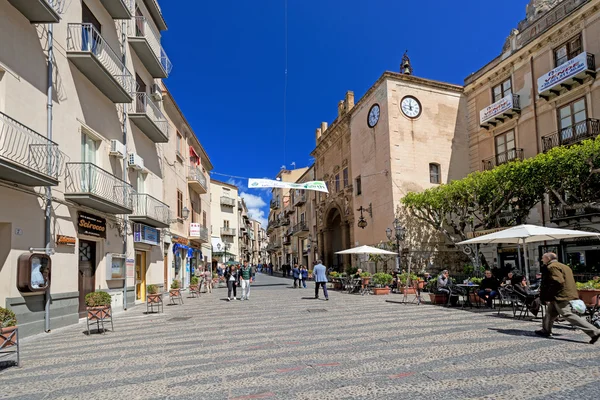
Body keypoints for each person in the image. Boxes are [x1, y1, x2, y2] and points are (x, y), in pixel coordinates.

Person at [536, 252, 600, 344]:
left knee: (567, 314)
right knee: (550, 312)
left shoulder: (552, 267)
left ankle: (594, 331)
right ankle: (545, 330)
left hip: (560, 295)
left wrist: (548, 295)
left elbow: (558, 281)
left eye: (543, 258)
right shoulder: (564, 266)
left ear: (548, 258)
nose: (542, 260)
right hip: (564, 294)